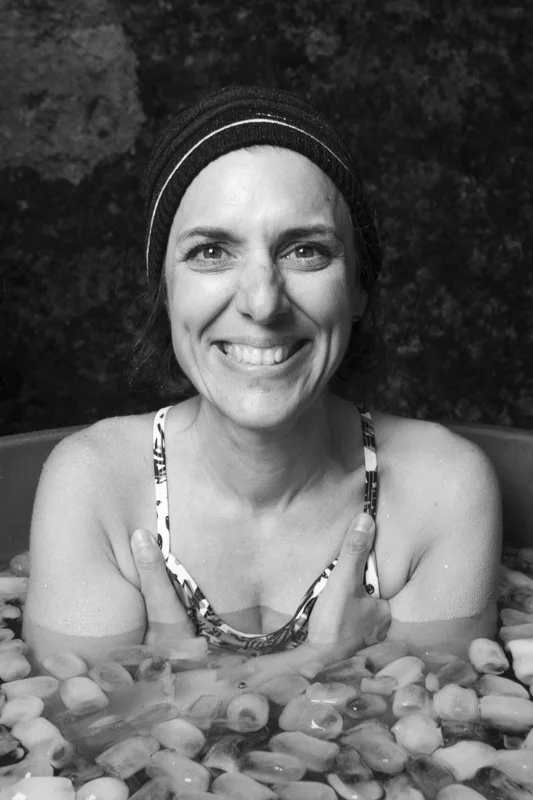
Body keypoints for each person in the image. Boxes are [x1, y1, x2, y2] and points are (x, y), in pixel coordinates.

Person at [23, 86, 502, 675]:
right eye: (211, 252)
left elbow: (444, 718)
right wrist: (328, 660)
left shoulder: (444, 490)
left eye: (304, 250)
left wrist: (177, 673)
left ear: (358, 287)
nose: (262, 301)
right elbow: (72, 721)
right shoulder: (94, 486)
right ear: (165, 290)